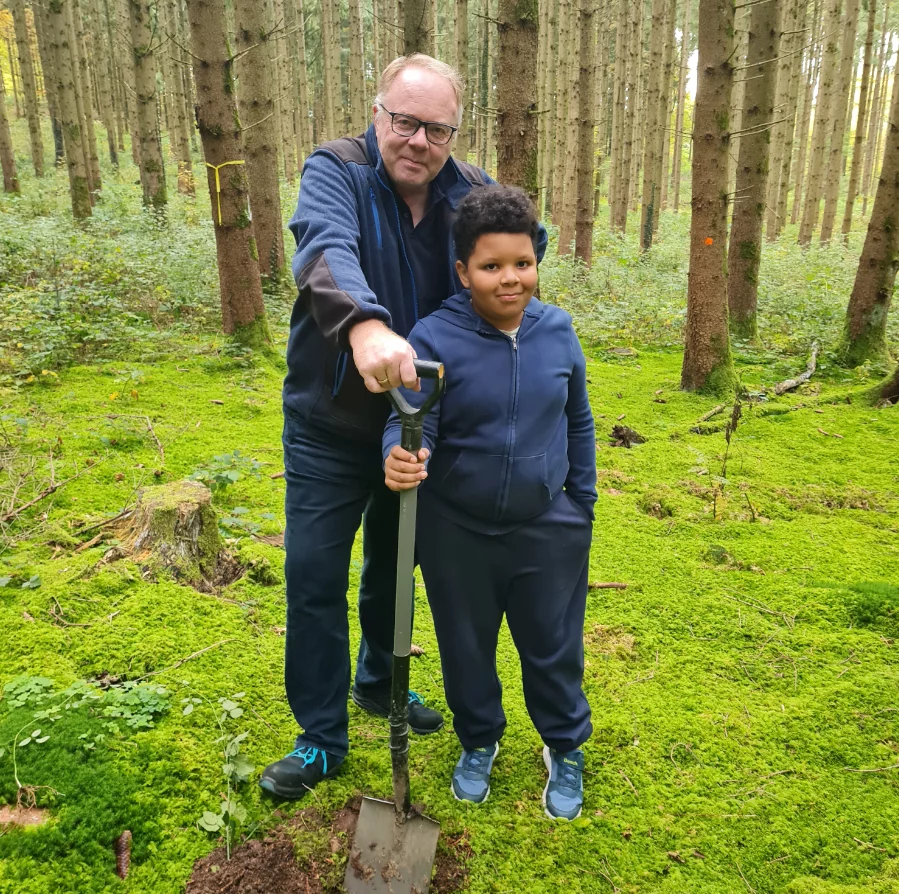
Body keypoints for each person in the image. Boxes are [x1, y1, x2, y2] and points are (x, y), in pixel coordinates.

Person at [259, 55, 547, 800]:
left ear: (454, 133)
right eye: (405, 121)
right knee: (314, 576)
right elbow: (323, 248)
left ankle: (379, 682)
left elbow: (520, 248)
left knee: (394, 569)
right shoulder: (337, 170)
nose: (419, 140)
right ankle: (321, 737)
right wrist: (365, 327)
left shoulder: (470, 191)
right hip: (327, 419)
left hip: (417, 426)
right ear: (378, 113)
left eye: (437, 129)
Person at [383, 186, 597, 821]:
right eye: (491, 266)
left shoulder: (557, 331)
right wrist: (398, 453)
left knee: (554, 647)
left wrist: (580, 505)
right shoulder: (433, 337)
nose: (510, 279)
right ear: (463, 271)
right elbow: (409, 420)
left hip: (547, 527)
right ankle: (479, 740)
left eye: (522, 263)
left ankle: (565, 746)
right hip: (456, 531)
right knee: (465, 647)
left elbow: (579, 421)